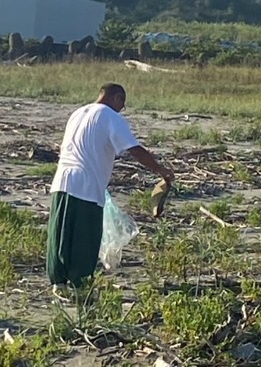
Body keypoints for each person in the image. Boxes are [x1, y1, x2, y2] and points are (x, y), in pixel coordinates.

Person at [47, 83, 173, 290]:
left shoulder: (77, 113)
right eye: (122, 103)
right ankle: (79, 285)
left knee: (60, 233)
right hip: (86, 185)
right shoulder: (110, 116)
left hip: (61, 181)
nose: (122, 109)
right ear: (116, 98)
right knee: (84, 237)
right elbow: (135, 149)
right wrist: (161, 170)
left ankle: (58, 283)